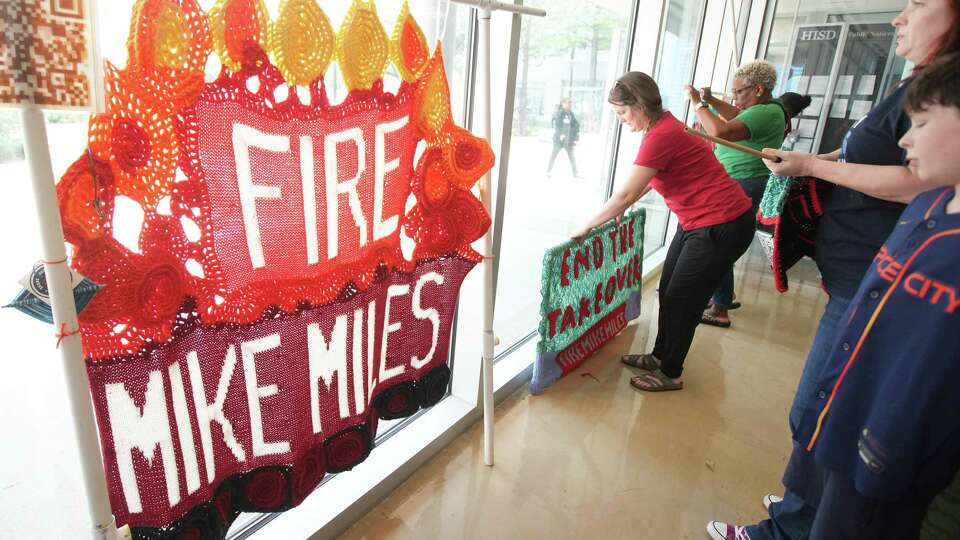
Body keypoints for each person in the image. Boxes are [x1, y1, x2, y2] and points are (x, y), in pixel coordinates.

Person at [707, 50, 960, 540]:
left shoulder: (938, 228)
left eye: (923, 122)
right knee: (819, 423)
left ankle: (799, 520)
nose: (906, 138)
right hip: (865, 398)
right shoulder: (932, 210)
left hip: (885, 441)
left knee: (834, 447)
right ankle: (805, 508)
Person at [761, 0, 959, 437]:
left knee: (822, 412)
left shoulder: (947, 89)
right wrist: (812, 159)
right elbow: (865, 151)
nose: (899, 18)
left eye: (920, 5)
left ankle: (802, 507)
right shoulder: (913, 83)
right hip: (854, 269)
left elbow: (921, 182)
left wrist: (813, 168)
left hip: (871, 271)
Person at [570, 72, 754, 392]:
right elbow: (647, 181)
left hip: (721, 222)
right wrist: (623, 207)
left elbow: (625, 194)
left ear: (639, 104)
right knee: (668, 290)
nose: (621, 120)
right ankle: (659, 356)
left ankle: (671, 371)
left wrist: (587, 225)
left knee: (684, 299)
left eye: (622, 113)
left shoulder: (662, 134)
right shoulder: (663, 126)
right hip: (699, 220)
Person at [686, 60, 788, 327]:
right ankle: (721, 295)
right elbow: (735, 115)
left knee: (719, 246)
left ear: (757, 89)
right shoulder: (764, 109)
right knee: (723, 243)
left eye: (739, 91)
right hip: (742, 181)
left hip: (743, 182)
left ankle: (720, 309)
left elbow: (720, 130)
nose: (734, 97)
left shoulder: (766, 112)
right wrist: (712, 101)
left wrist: (699, 103)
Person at [547, 97, 580, 178]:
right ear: (563, 104)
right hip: (559, 140)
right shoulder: (559, 113)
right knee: (554, 155)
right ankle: (548, 171)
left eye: (571, 102)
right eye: (568, 102)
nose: (570, 104)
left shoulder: (570, 113)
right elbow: (556, 126)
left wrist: (576, 134)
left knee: (572, 157)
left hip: (568, 140)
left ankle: (575, 173)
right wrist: (560, 134)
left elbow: (576, 124)